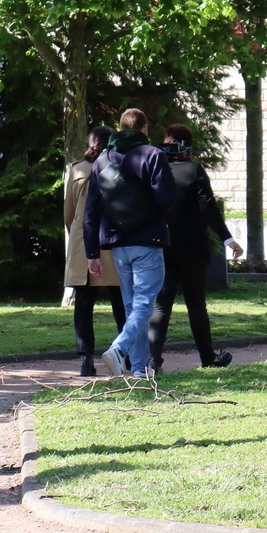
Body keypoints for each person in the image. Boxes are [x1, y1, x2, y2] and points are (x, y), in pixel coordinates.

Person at [82, 107, 176, 379]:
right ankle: (118, 348)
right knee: (145, 304)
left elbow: (91, 211)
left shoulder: (101, 160)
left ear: (120, 129)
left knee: (132, 304)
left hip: (118, 243)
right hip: (148, 239)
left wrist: (92, 253)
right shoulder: (153, 155)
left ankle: (139, 369)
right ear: (144, 129)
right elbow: (167, 200)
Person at [148, 124, 244, 373]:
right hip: (193, 249)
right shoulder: (194, 170)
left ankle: (153, 360)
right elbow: (208, 208)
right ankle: (207, 356)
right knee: (196, 305)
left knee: (160, 306)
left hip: (162, 248)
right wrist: (227, 238)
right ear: (188, 145)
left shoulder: (154, 171)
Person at [64, 128, 125, 378]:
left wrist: (75, 231)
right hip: (111, 237)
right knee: (120, 300)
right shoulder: (118, 168)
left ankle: (85, 358)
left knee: (84, 303)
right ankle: (125, 352)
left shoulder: (78, 170)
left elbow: (68, 210)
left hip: (82, 239)